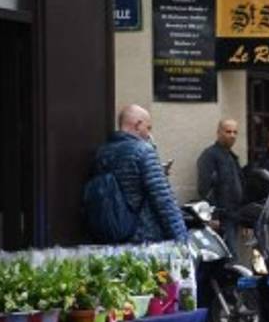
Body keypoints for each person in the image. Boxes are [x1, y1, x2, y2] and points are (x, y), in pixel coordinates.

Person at [87, 105, 187, 244]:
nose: (149, 134)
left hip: (110, 238)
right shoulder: (143, 151)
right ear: (138, 125)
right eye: (148, 128)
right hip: (143, 239)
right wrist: (182, 241)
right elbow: (164, 201)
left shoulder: (102, 152)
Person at [196, 119, 244, 256]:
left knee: (231, 256)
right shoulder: (210, 156)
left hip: (234, 216)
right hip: (221, 217)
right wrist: (213, 215)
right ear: (218, 133)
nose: (232, 135)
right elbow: (205, 188)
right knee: (229, 257)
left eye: (235, 132)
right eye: (228, 131)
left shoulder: (232, 157)